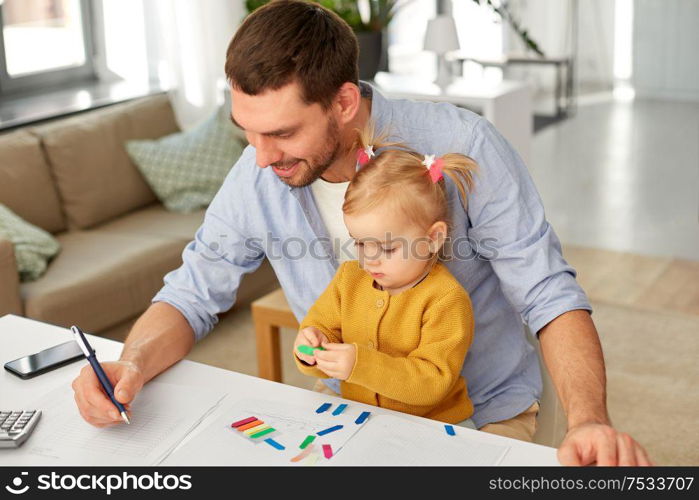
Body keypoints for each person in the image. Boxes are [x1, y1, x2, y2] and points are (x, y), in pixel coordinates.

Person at [71, 0, 652, 465]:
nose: (259, 157)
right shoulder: (258, 173)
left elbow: (548, 293)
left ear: (344, 102)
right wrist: (134, 363)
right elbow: (191, 292)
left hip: (479, 411)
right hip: (351, 413)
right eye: (246, 130)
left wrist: (589, 420)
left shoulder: (464, 144)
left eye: (281, 133)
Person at [293, 126, 479, 427]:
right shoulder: (348, 279)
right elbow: (321, 325)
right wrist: (312, 345)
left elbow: (433, 381)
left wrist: (359, 364)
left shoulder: (446, 299)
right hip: (361, 418)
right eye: (361, 243)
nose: (370, 258)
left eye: (388, 248)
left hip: (435, 426)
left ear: (433, 238)